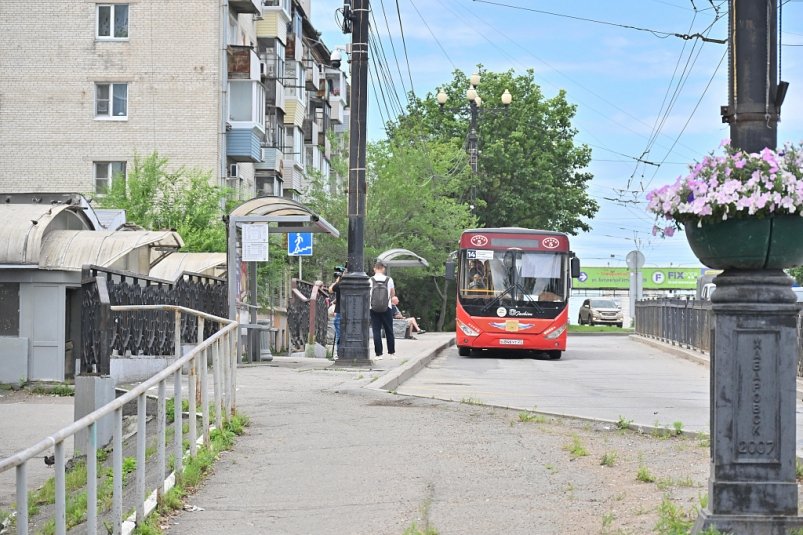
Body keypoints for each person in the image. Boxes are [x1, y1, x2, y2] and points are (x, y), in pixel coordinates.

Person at [369, 260, 396, 359]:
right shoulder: (389, 279)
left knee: (376, 331)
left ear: (374, 269)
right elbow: (392, 293)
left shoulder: (370, 280)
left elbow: (368, 294)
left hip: (373, 308)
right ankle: (391, 353)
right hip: (387, 307)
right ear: (383, 269)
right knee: (389, 330)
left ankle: (378, 354)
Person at [328, 265, 345, 357]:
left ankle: (339, 353)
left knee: (339, 334)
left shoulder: (340, 285)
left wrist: (337, 281)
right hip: (350, 313)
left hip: (339, 312)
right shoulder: (352, 284)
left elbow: (330, 289)